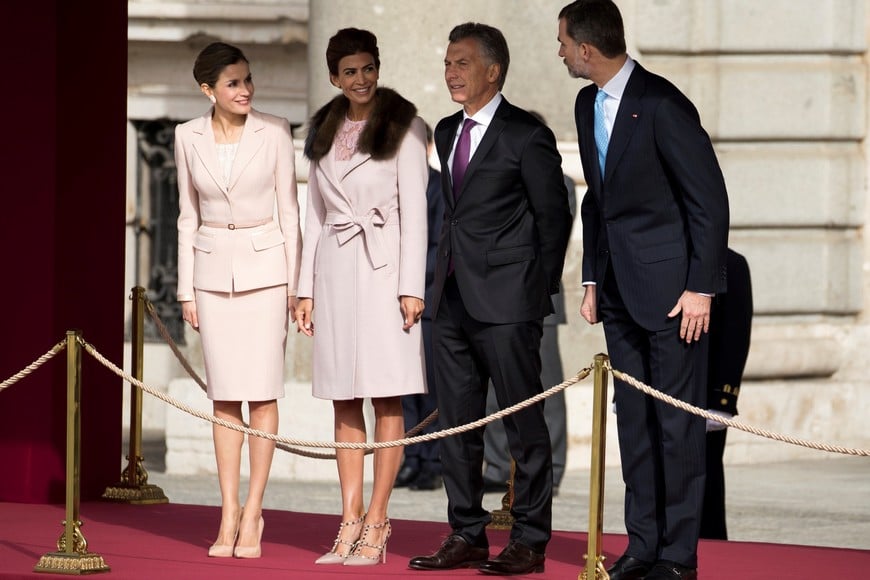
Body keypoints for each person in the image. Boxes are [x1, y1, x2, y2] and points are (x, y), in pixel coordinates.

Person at [557, 2, 729, 579]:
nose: (558, 52)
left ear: (585, 48)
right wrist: (590, 278)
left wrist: (701, 288)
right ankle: (643, 545)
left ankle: (679, 556)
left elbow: (709, 201)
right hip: (618, 295)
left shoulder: (662, 103)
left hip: (676, 296)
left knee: (676, 426)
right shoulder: (586, 104)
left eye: (562, 43)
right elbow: (597, 198)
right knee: (633, 422)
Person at [408, 23, 573, 576]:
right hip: (450, 302)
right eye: (448, 62)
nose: (450, 72)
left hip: (509, 305)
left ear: (493, 70)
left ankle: (529, 539)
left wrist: (534, 290)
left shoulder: (527, 134)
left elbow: (555, 218)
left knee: (526, 428)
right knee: (456, 425)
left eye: (461, 63)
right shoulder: (447, 130)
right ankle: (466, 533)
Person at [295, 27, 428, 567]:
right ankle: (347, 521)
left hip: (383, 272)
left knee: (386, 395)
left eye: (368, 68)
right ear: (334, 77)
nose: (361, 79)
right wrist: (303, 290)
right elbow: (314, 216)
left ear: (378, 67)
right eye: (349, 71)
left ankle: (377, 522)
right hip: (333, 273)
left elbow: (417, 214)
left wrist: (410, 289)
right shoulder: (322, 131)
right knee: (343, 395)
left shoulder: (406, 127)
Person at [175, 41, 301, 559]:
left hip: (268, 273)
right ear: (207, 89)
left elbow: (291, 213)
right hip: (209, 272)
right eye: (232, 83)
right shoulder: (186, 136)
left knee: (263, 394)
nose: (245, 90)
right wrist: (186, 289)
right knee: (224, 397)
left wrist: (297, 289)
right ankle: (226, 513)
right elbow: (186, 215)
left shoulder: (275, 131)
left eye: (248, 79)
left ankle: (254, 511)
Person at [482, 111, 576, 496]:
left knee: (546, 386)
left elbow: (552, 235)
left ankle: (551, 467)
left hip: (539, 297)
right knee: (494, 388)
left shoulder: (561, 182)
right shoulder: (496, 182)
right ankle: (499, 464)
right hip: (496, 298)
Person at [396, 123, 445, 492]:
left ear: (427, 146)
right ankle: (409, 458)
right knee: (401, 387)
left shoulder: (440, 186)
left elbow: (440, 244)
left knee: (430, 385)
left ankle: (433, 460)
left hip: (427, 297)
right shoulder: (390, 188)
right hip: (393, 300)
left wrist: (412, 280)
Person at [701, 249, 752, 540]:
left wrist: (723, 400)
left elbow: (736, 338)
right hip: (663, 391)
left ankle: (712, 545)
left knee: (707, 480)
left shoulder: (731, 264)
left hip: (707, 397)